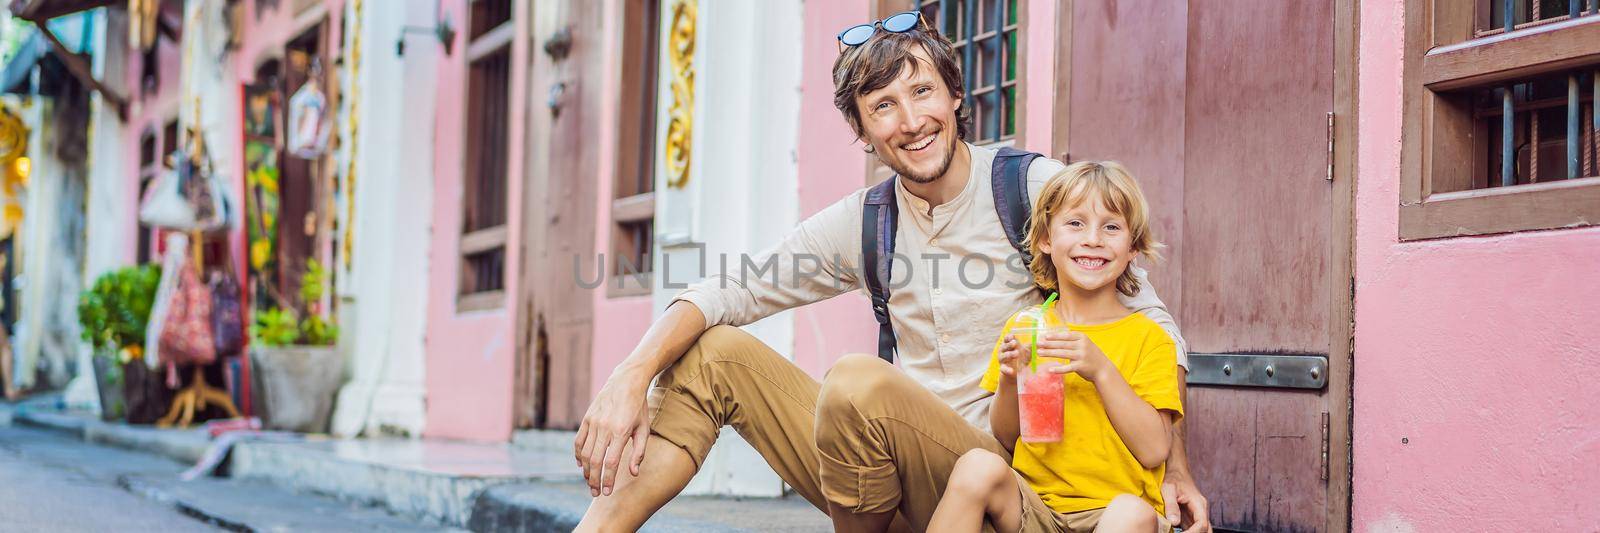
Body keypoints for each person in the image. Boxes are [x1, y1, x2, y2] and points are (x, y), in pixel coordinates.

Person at [573, 12, 1211, 533]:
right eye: (882, 106)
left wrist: (1173, 471)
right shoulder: (866, 221)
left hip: (996, 482)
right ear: (862, 130)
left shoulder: (1032, 189)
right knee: (712, 356)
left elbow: (1148, 319)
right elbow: (734, 288)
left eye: (923, 92)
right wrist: (630, 375)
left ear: (956, 96)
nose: (910, 122)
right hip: (884, 478)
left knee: (856, 382)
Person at [927, 161, 1181, 532]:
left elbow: (1155, 450)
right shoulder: (1027, 326)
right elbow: (1008, 436)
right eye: (1075, 223)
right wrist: (1012, 379)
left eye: (1111, 227)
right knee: (977, 465)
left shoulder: (1149, 338)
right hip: (1037, 509)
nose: (1093, 238)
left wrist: (1101, 370)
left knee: (1131, 512)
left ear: (1132, 249)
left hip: (1117, 514)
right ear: (1046, 239)